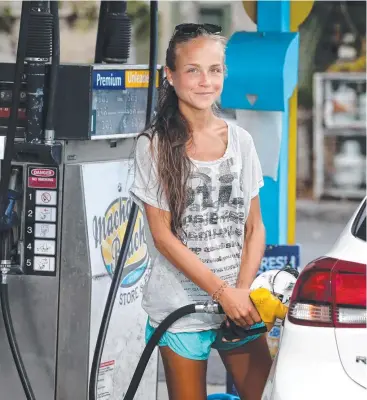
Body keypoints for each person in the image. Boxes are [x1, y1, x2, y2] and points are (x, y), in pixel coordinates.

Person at [129, 23, 272, 400]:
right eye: (193, 70)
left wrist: (240, 293)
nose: (205, 81)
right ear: (171, 77)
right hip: (180, 307)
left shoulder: (240, 141)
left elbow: (255, 227)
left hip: (238, 304)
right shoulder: (153, 146)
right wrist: (221, 292)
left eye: (215, 70)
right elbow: (162, 237)